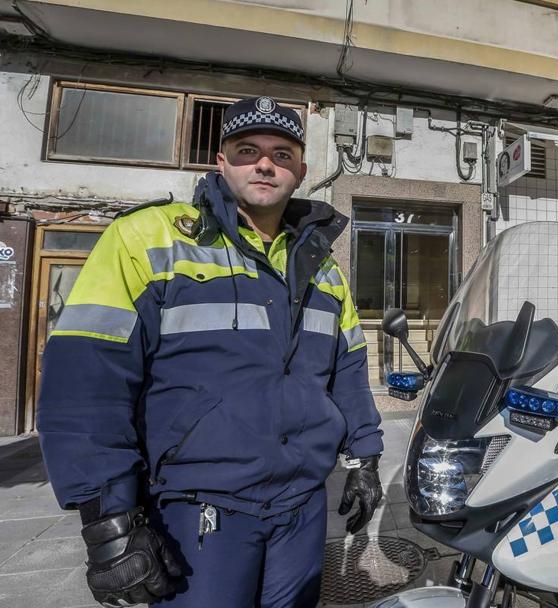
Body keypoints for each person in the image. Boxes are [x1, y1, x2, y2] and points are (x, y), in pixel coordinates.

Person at [37, 96, 384, 607]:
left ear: (302, 170)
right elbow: (88, 381)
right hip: (198, 510)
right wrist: (107, 519)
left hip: (302, 506)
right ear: (220, 162)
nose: (266, 163)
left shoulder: (322, 269)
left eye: (282, 154)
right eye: (248, 150)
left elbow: (347, 370)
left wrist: (365, 459)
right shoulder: (148, 239)